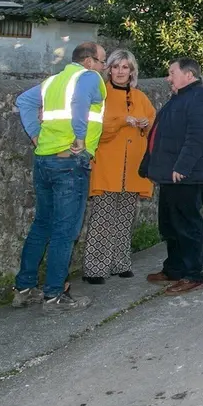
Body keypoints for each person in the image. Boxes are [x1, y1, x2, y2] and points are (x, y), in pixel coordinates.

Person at [12, 42, 108, 313]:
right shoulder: (89, 78)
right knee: (65, 232)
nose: (105, 68)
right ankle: (54, 295)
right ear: (89, 62)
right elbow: (79, 103)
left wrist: (34, 134)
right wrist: (80, 138)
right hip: (70, 162)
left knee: (42, 225)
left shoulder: (53, 81)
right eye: (102, 62)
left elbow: (23, 101)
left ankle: (24, 288)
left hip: (44, 159)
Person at [143, 58, 203, 295]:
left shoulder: (201, 98)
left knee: (187, 226)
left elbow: (198, 137)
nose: (168, 78)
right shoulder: (180, 98)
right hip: (172, 175)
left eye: (171, 73)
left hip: (187, 175)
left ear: (189, 74)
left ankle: (192, 275)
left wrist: (183, 166)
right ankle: (174, 269)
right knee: (169, 224)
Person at [82, 49, 156, 284]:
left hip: (132, 168)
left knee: (125, 217)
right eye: (116, 67)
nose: (120, 71)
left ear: (131, 71)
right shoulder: (100, 96)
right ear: (109, 69)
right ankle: (95, 268)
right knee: (102, 218)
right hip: (107, 165)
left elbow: (152, 125)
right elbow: (95, 132)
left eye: (125, 67)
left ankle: (120, 262)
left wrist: (144, 124)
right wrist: (121, 121)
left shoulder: (140, 97)